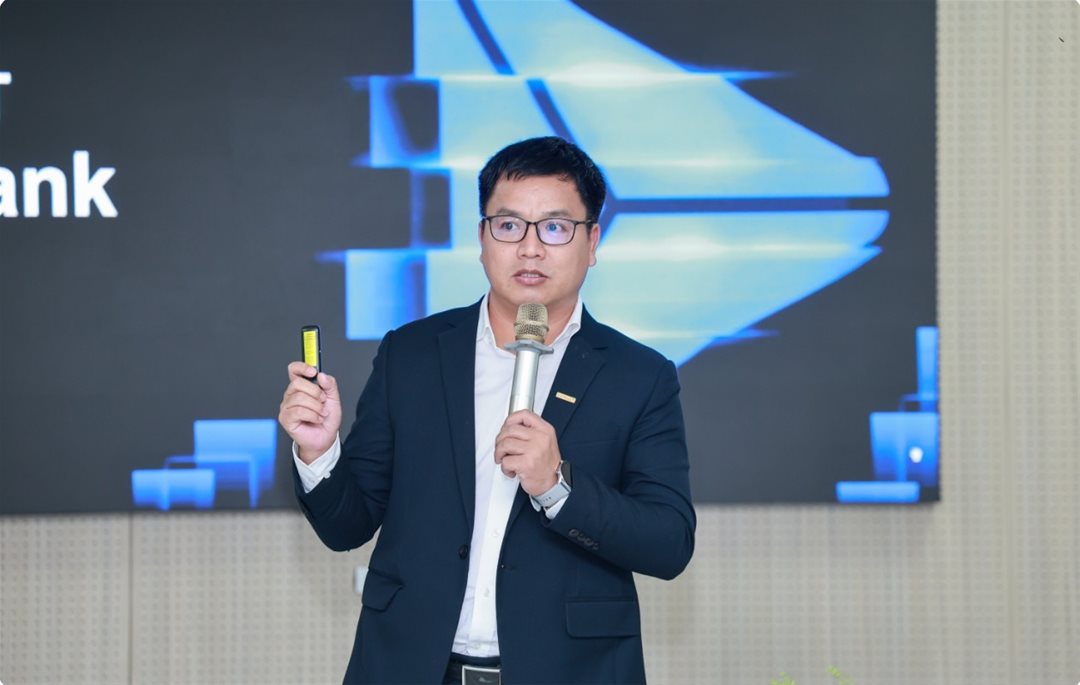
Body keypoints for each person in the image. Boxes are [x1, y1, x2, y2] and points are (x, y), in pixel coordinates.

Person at [278, 136, 695, 684]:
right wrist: (319, 453)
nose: (529, 248)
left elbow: (668, 542)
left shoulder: (638, 375)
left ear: (592, 241)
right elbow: (346, 526)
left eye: (554, 227)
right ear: (481, 238)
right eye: (509, 225)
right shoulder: (412, 354)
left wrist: (556, 486)